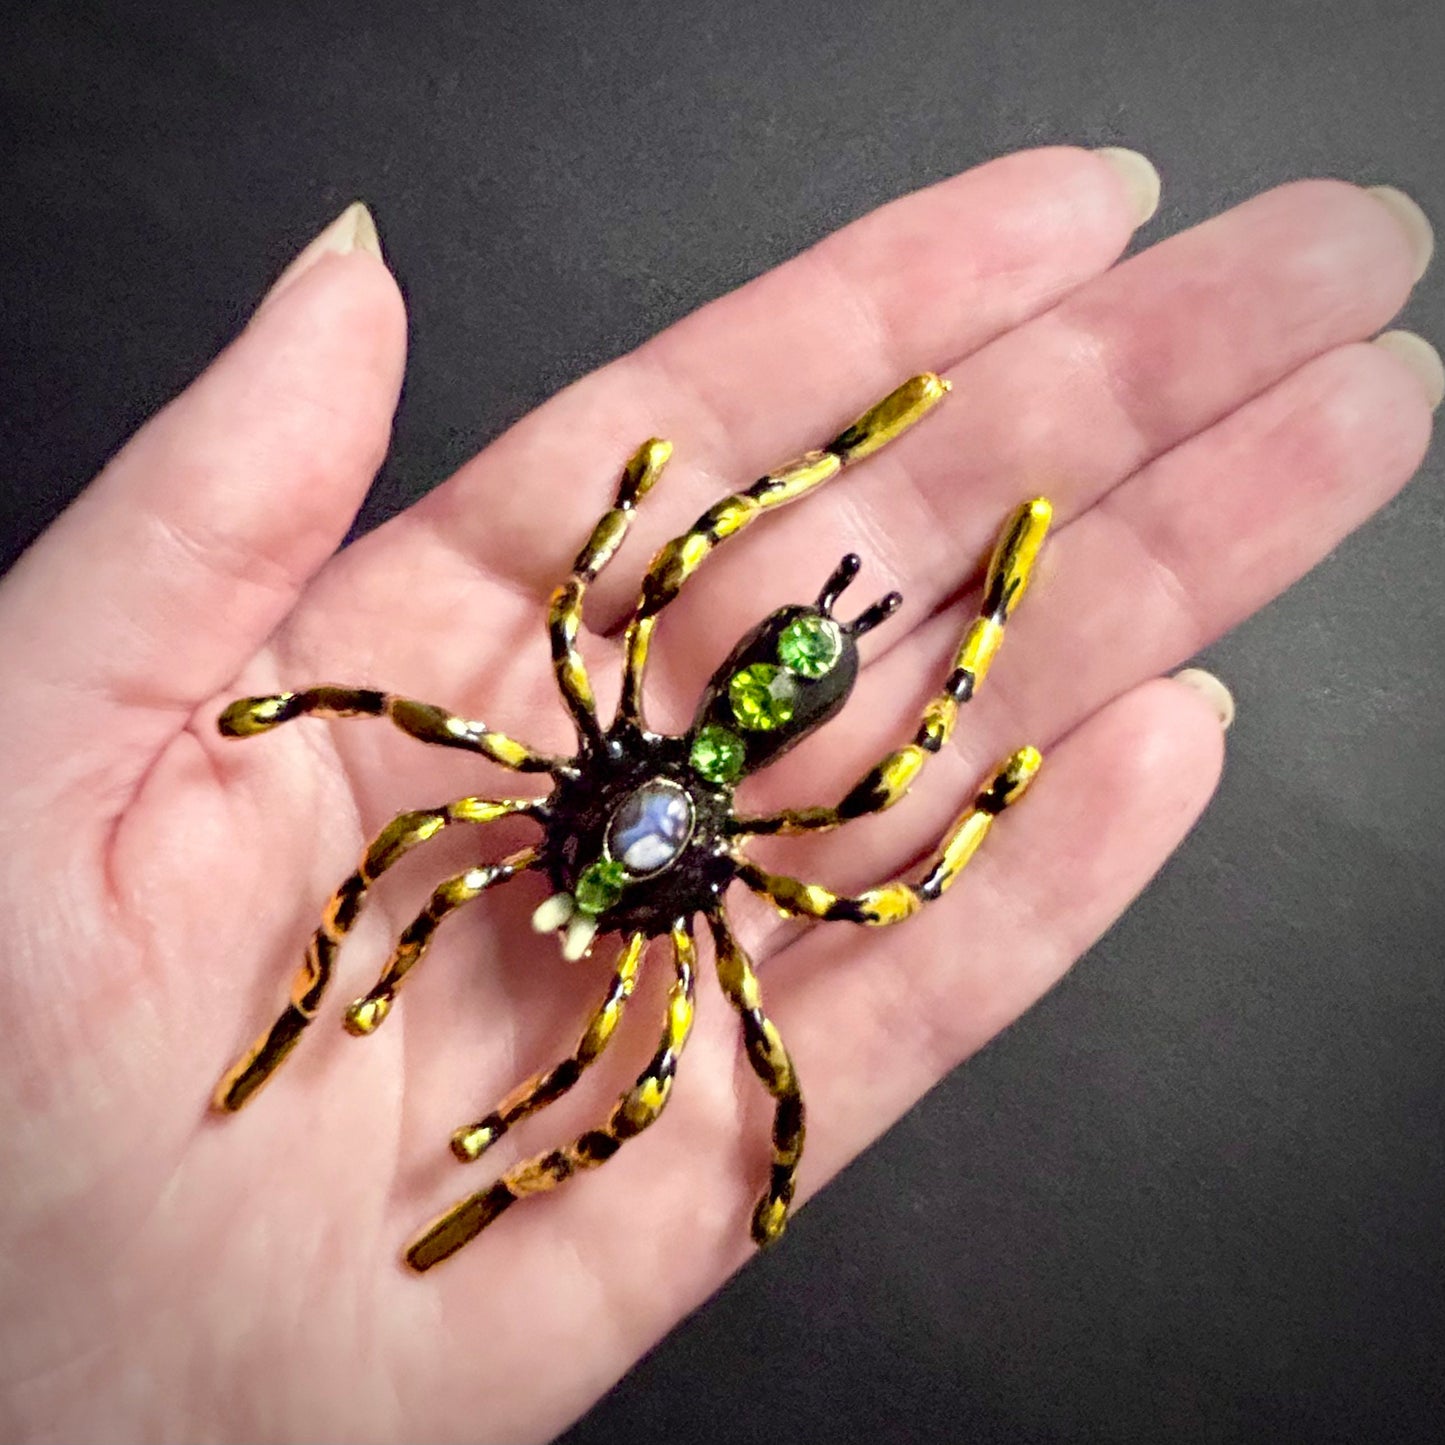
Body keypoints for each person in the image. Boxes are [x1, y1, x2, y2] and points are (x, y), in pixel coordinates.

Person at [0, 147, 1435, 1443]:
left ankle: (993, 591)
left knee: (637, 1022)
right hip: (698, 743)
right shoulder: (602, 819)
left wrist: (973, 753)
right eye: (594, 886)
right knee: (456, 864)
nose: (587, 892)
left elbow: (874, 880)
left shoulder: (672, 867)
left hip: (737, 737)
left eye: (596, 888)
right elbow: (557, 636)